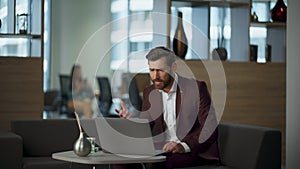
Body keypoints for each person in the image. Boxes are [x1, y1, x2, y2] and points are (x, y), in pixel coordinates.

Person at [113, 47, 220, 169]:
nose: (155, 76)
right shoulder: (150, 92)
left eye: (160, 70)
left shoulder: (196, 88)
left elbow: (210, 128)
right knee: (121, 161)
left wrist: (182, 146)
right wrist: (131, 121)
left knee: (162, 163)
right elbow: (146, 126)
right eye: (152, 70)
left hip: (192, 151)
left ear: (173, 67)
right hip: (162, 149)